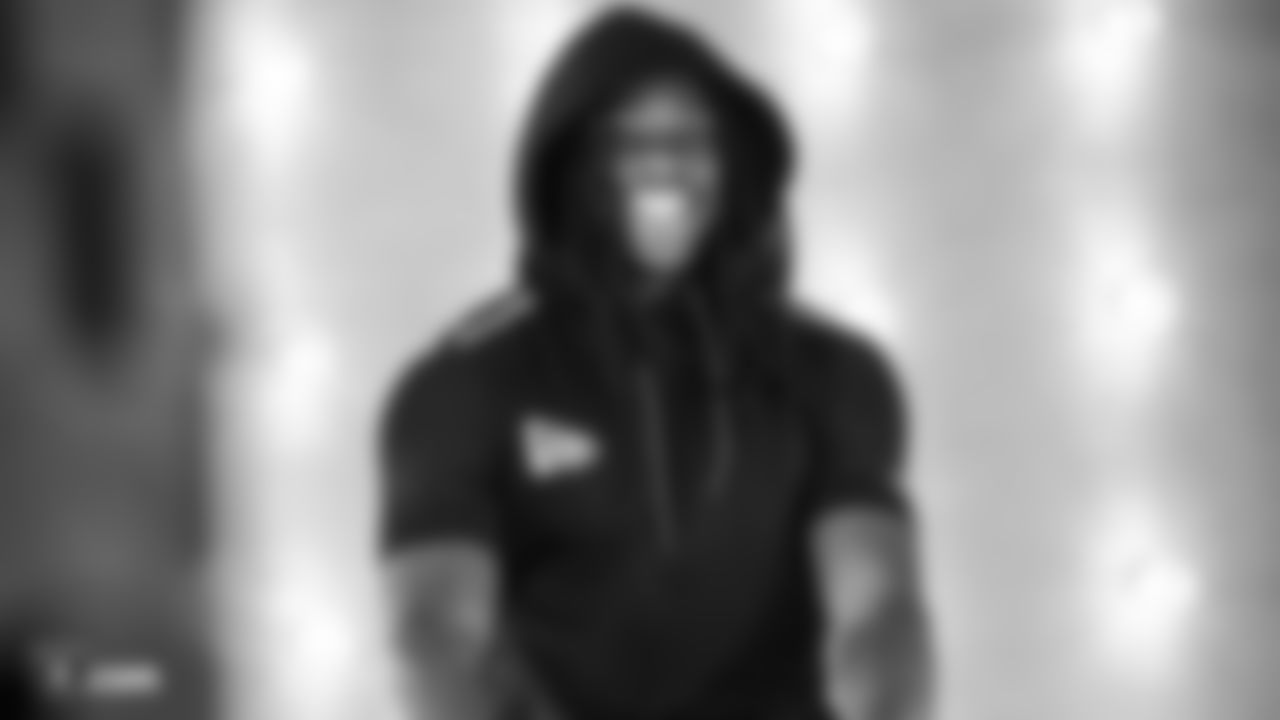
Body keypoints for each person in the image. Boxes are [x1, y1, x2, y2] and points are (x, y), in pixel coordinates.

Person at [379, 7, 932, 720]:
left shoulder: (832, 373)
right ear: (574, 164)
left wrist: (882, 704)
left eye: (691, 140)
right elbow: (436, 636)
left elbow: (878, 606)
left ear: (734, 163)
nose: (665, 165)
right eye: (630, 142)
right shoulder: (468, 385)